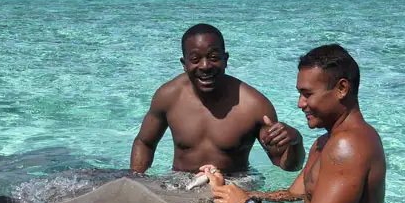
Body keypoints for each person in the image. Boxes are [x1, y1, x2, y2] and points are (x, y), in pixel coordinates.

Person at [204, 44, 386, 203]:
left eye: (307, 94)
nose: (300, 103)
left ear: (342, 88)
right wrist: (230, 192)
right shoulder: (324, 142)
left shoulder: (348, 145)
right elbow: (292, 194)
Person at [130, 24, 304, 174]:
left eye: (213, 58)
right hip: (180, 182)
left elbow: (287, 167)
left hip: (234, 184)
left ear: (225, 59)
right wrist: (136, 180)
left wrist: (296, 141)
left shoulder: (254, 106)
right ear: (184, 64)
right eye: (195, 59)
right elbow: (145, 142)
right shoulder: (168, 96)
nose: (205, 66)